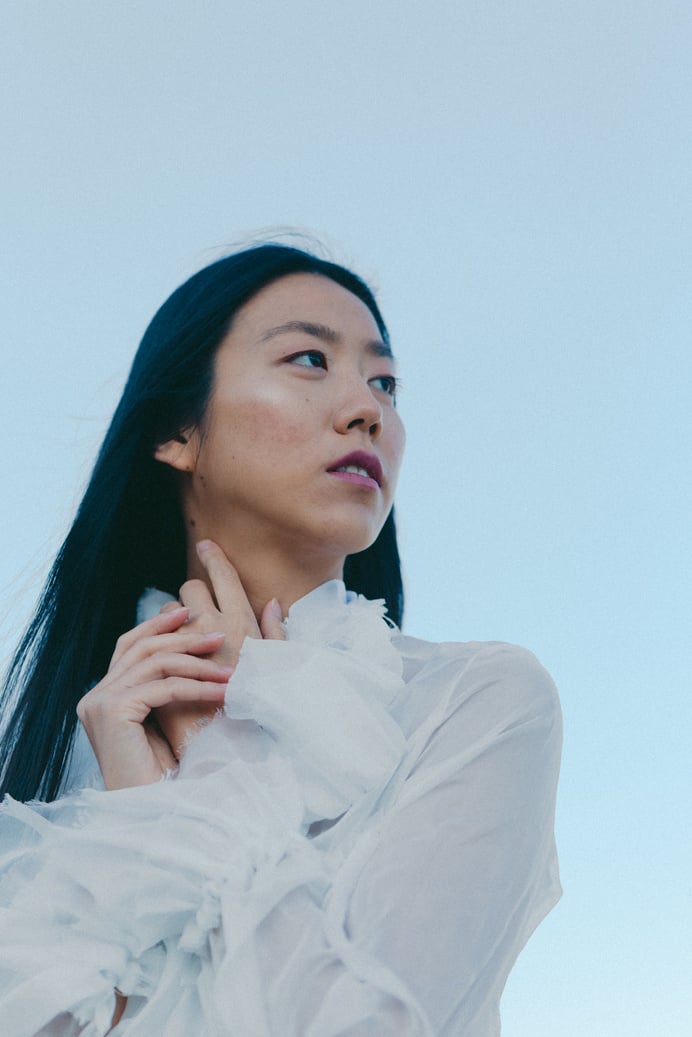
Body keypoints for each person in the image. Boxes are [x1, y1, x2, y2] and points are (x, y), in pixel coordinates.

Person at [0, 243, 562, 1036]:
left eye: (385, 382)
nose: (367, 407)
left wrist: (205, 770)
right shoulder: (71, 748)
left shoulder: (475, 701)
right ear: (175, 430)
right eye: (309, 358)